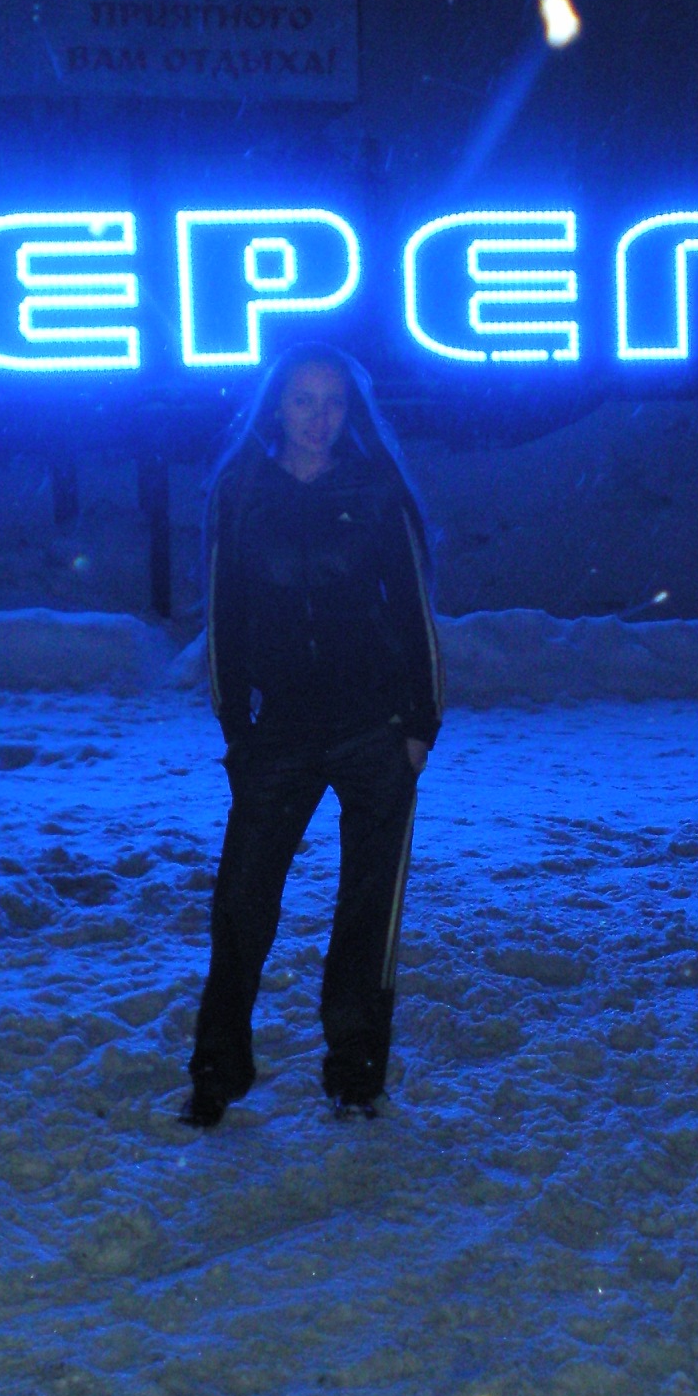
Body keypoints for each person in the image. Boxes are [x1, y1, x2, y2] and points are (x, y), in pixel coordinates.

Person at [180, 343, 443, 1128]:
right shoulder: (240, 491)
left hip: (374, 728)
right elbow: (224, 616)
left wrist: (420, 724)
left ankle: (355, 1071)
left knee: (367, 909)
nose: (319, 418)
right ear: (276, 406)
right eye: (303, 400)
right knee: (241, 904)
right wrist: (237, 729)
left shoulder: (377, 487)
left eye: (333, 402)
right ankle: (217, 1070)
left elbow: (414, 611)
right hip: (281, 731)